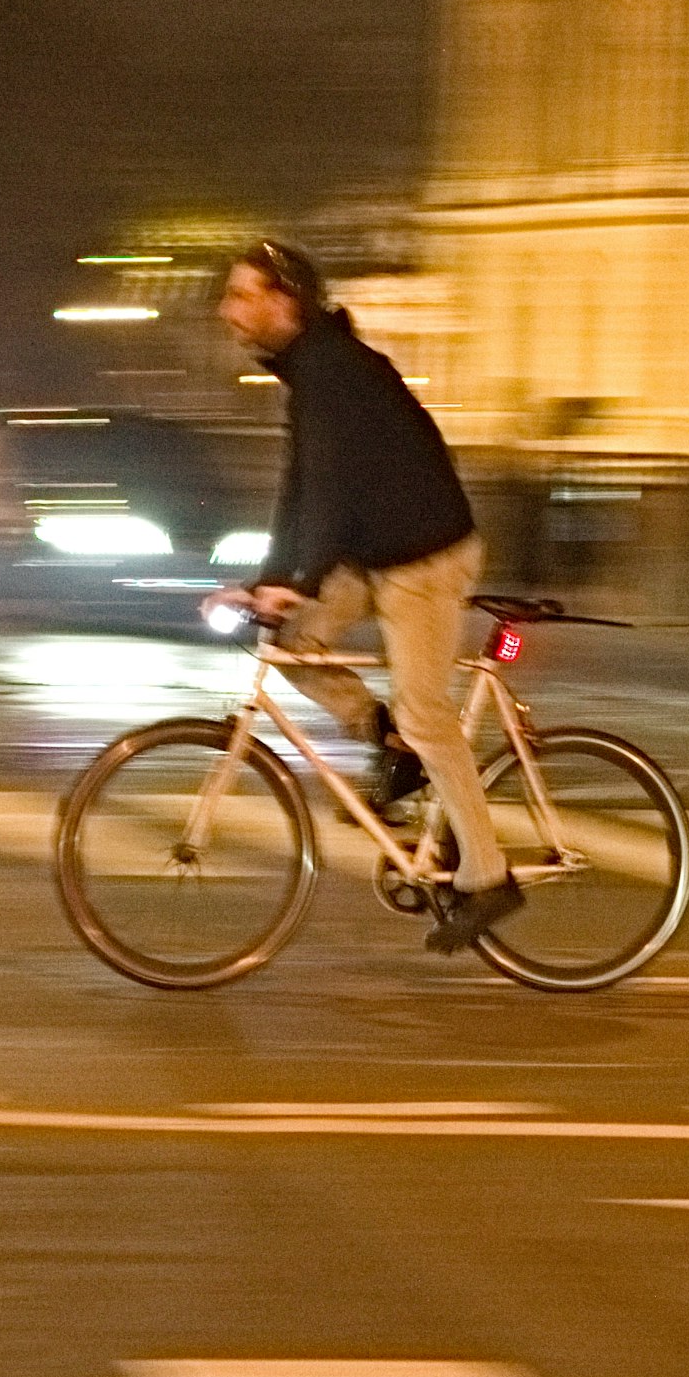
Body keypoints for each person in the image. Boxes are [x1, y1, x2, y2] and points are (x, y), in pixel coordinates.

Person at [219, 239, 519, 952]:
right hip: (373, 552)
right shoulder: (309, 371)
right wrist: (273, 582)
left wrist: (300, 579)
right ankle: (384, 735)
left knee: (427, 711)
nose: (228, 310)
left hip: (424, 556)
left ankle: (489, 874)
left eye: (241, 294)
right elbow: (298, 494)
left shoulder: (331, 371)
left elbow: (328, 492)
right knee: (284, 641)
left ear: (282, 300)